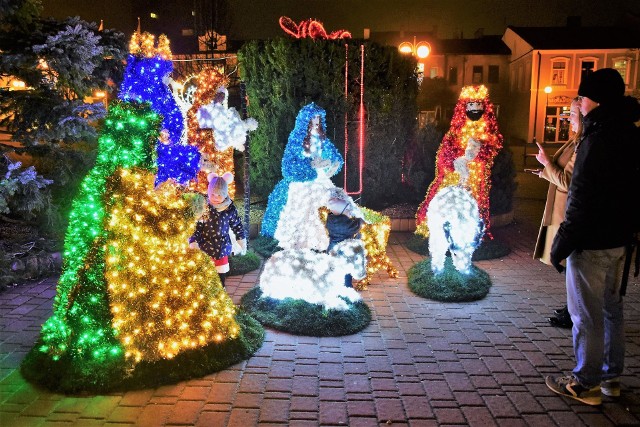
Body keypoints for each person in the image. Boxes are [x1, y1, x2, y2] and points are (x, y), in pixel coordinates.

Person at [545, 68, 640, 406]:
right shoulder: (630, 133)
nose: (579, 104)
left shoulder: (596, 139)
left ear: (594, 100)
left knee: (586, 314)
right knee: (613, 310)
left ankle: (585, 383)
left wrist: (561, 244)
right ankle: (610, 379)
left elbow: (581, 197)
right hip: (620, 242)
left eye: (582, 97)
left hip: (592, 242)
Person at [532, 97, 583, 328]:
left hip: (567, 215)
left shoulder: (582, 144)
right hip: (560, 213)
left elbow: (567, 180)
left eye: (572, 114)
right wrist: (544, 171)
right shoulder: (574, 142)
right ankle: (571, 307)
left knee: (568, 263)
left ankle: (575, 312)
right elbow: (560, 174)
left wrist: (546, 164)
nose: (568, 118)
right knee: (566, 264)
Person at [189, 173, 247, 287]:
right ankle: (207, 291)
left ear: (225, 194)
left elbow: (237, 225)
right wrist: (193, 240)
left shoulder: (229, 208)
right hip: (205, 246)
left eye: (219, 195)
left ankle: (221, 290)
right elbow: (197, 227)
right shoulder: (204, 207)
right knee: (206, 273)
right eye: (213, 194)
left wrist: (241, 240)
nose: (215, 197)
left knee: (221, 274)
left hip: (222, 247)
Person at [325, 190, 365, 288]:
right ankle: (347, 288)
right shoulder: (345, 225)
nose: (349, 212)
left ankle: (333, 286)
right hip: (343, 252)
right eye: (347, 210)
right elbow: (357, 226)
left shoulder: (331, 220)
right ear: (341, 211)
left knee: (333, 270)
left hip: (332, 248)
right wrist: (359, 219)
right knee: (346, 271)